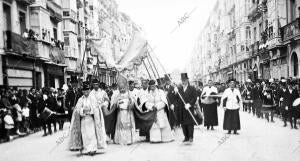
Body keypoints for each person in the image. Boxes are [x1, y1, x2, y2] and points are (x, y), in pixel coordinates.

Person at [68, 82, 107, 155]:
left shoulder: (92, 99)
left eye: (87, 90)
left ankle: (93, 148)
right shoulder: (80, 99)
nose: (86, 92)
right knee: (85, 134)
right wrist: (82, 110)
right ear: (82, 91)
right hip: (83, 119)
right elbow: (77, 110)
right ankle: (87, 149)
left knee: (91, 134)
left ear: (89, 91)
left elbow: (96, 108)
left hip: (91, 119)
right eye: (84, 91)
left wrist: (90, 110)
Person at [111, 75, 137, 145]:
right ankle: (121, 140)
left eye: (123, 88)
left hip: (128, 112)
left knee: (128, 126)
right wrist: (117, 105)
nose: (122, 90)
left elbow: (134, 102)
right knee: (121, 126)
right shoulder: (117, 95)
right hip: (121, 113)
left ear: (126, 87)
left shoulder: (129, 94)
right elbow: (114, 104)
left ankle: (129, 140)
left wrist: (131, 104)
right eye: (120, 88)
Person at [177, 73, 198, 143]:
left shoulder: (192, 88)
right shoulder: (179, 89)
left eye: (185, 80)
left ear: (187, 80)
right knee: (183, 124)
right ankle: (186, 137)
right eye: (182, 80)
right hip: (182, 109)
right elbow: (177, 99)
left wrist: (190, 104)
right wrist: (175, 92)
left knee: (190, 123)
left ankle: (191, 137)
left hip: (189, 108)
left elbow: (194, 98)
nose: (183, 81)